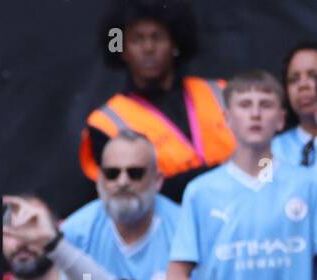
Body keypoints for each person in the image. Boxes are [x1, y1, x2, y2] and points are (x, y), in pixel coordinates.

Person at [167, 71, 317, 280]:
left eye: (266, 105)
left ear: (281, 118)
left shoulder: (307, 185)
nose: (255, 113)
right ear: (227, 119)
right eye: (245, 105)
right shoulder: (202, 192)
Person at [81, 1, 233, 202]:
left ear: (175, 44)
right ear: (122, 50)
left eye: (157, 37)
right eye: (137, 39)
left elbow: (263, 157)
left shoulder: (222, 93)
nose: (148, 48)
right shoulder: (106, 123)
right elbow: (130, 192)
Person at [60, 130, 195, 280]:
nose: (122, 181)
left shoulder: (186, 228)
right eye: (112, 173)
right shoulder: (75, 232)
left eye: (135, 173)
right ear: (99, 180)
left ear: (157, 180)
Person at [274, 41, 317, 170]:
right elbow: (261, 188)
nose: (303, 85)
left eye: (314, 76)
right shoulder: (268, 151)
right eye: (293, 79)